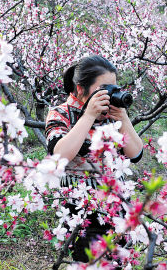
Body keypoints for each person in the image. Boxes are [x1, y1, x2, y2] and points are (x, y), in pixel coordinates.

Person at [45, 55, 143, 262]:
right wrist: (88, 116)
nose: (110, 94)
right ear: (81, 89)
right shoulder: (60, 114)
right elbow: (60, 156)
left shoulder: (112, 116)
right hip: (82, 211)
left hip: (118, 208)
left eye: (114, 88)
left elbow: (135, 154)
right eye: (104, 89)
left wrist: (123, 118)